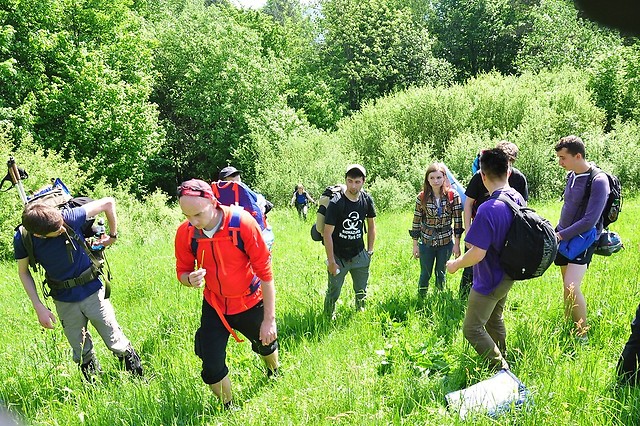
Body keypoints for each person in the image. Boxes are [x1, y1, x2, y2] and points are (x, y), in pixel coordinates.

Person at [175, 179, 278, 409]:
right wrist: (189, 279)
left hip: (250, 300)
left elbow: (265, 273)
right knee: (211, 365)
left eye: (198, 214)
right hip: (215, 305)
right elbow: (182, 270)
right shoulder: (186, 233)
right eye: (187, 215)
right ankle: (229, 408)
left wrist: (269, 320)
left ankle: (274, 372)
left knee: (266, 343)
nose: (193, 222)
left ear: (213, 202)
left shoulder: (242, 224)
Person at [14, 198, 143, 382]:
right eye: (57, 231)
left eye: (61, 224)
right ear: (39, 235)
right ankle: (94, 388)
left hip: (92, 290)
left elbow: (108, 202)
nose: (62, 229)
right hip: (63, 298)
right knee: (81, 350)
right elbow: (23, 271)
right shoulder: (23, 237)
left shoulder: (68, 217)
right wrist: (38, 307)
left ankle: (138, 380)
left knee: (115, 340)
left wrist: (112, 236)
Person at [446, 148, 525, 371]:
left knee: (472, 329)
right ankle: (503, 354)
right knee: (494, 318)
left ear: (482, 175)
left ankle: (501, 368)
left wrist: (455, 264)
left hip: (490, 278)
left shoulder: (488, 208)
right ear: (508, 172)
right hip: (509, 272)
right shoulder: (516, 197)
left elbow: (477, 253)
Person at [554, 135, 609, 340]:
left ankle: (582, 335)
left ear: (578, 156)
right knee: (566, 286)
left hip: (583, 239)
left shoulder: (599, 180)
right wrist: (559, 231)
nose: (560, 162)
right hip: (563, 236)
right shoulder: (572, 175)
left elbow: (589, 221)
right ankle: (569, 324)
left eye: (563, 158)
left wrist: (560, 235)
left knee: (571, 285)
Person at [459, 141, 529, 298]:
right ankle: (463, 298)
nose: (506, 165)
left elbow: (523, 209)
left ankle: (496, 298)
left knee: (501, 267)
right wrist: (468, 230)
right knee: (471, 266)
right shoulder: (482, 175)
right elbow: (468, 204)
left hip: (505, 232)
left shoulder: (519, 178)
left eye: (510, 161)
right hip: (480, 227)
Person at [323, 164, 376, 318]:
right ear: (345, 180)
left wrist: (369, 252)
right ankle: (328, 317)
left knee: (361, 290)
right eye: (350, 181)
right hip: (339, 256)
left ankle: (360, 314)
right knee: (333, 291)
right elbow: (327, 233)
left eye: (357, 182)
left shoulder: (366, 200)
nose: (353, 186)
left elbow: (371, 226)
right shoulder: (336, 203)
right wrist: (331, 261)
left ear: (363, 181)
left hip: (360, 254)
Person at [409, 162, 463, 296]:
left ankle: (439, 297)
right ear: (427, 179)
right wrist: (415, 245)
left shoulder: (453, 196)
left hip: (446, 241)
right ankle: (421, 298)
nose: (435, 181)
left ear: (444, 178)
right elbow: (416, 221)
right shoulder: (422, 197)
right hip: (427, 241)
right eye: (432, 178)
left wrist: (457, 244)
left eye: (439, 177)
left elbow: (458, 221)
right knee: (425, 273)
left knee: (441, 272)